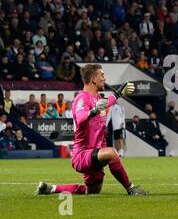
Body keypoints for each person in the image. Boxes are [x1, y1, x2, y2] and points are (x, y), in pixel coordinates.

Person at [35, 64, 148, 195]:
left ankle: (50, 188)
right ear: (94, 79)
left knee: (92, 192)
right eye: (102, 75)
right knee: (111, 153)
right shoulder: (81, 98)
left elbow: (107, 101)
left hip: (95, 156)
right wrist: (93, 111)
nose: (104, 78)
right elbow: (82, 116)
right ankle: (131, 188)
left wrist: (118, 94)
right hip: (82, 155)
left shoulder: (98, 99)